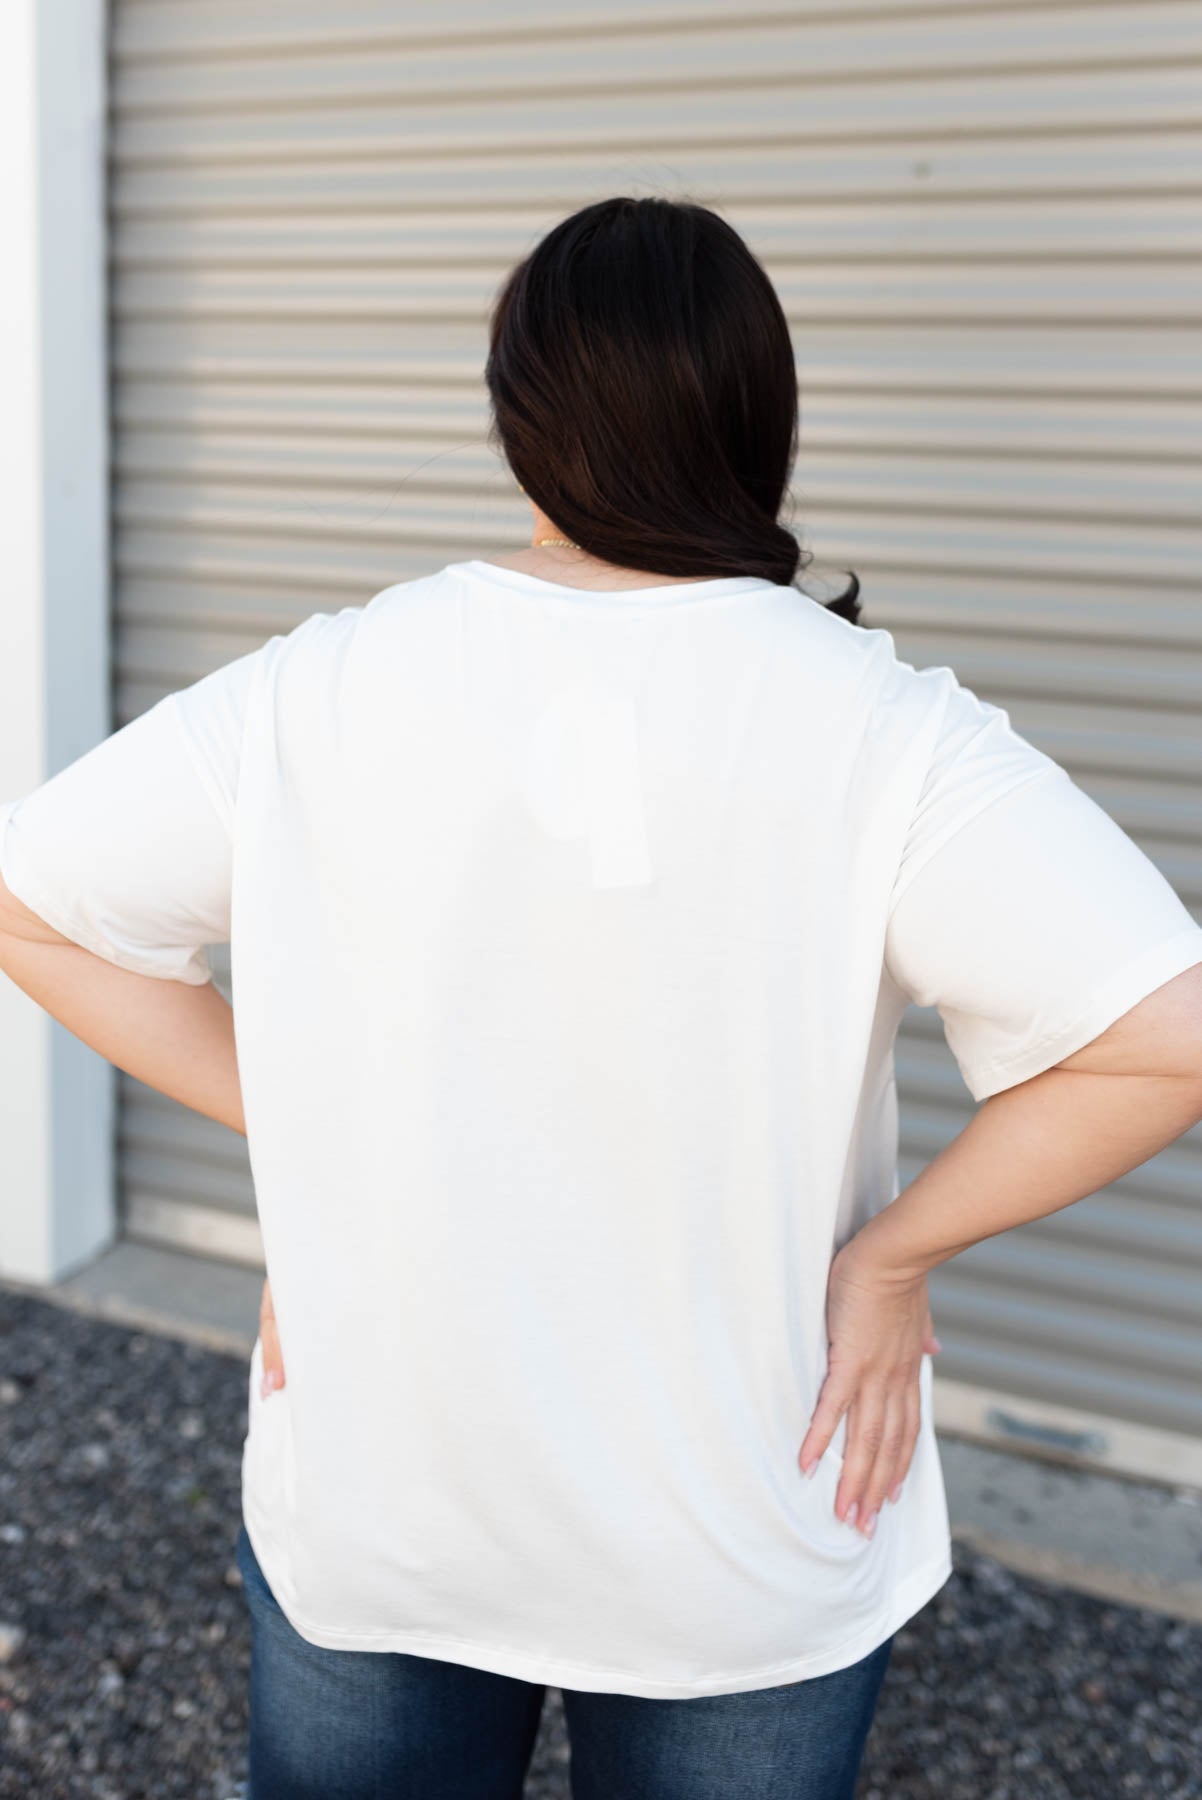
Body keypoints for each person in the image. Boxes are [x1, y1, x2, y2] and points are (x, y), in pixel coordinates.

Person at [1, 195, 1201, 1800]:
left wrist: (321, 1147)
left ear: (517, 418)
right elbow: (1161, 1039)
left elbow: (35, 909)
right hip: (742, 1545)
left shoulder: (323, 685)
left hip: (384, 1497)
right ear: (758, 420)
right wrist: (891, 1262)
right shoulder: (884, 729)